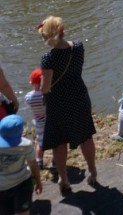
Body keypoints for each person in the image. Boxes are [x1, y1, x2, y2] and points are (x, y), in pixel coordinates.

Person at [37, 16, 98, 195]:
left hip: (58, 102)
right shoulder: (78, 47)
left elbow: (46, 87)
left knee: (59, 141)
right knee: (86, 135)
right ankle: (93, 170)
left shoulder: (48, 58)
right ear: (63, 30)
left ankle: (64, 179)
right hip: (79, 95)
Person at [0, 115, 42, 214]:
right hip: (20, 183)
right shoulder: (26, 145)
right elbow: (33, 165)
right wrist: (38, 182)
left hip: (11, 186)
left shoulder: (26, 145)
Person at [23, 70, 45, 168]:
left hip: (39, 123)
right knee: (54, 143)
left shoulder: (28, 97)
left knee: (40, 144)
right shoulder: (46, 95)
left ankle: (39, 161)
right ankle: (55, 162)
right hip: (50, 122)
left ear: (31, 82)